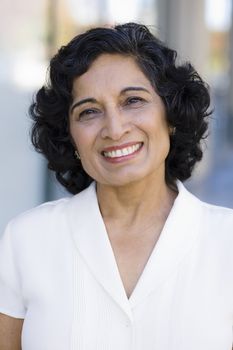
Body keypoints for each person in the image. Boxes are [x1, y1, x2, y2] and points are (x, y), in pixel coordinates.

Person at [0, 22, 232, 350]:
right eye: (89, 111)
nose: (115, 128)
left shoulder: (227, 242)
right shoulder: (26, 240)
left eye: (132, 101)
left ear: (170, 116)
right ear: (71, 138)